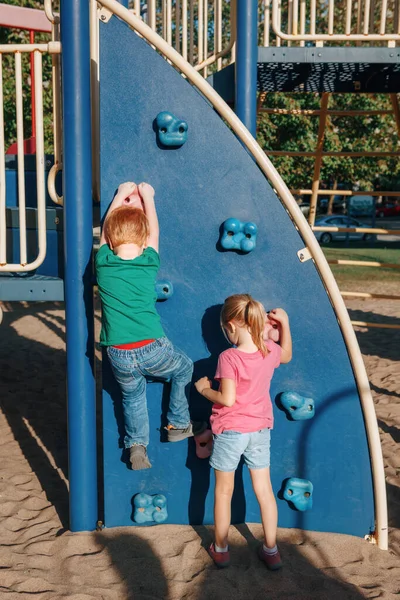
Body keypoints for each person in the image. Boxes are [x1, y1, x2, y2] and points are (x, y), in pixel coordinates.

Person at [96, 181, 203, 471]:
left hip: (117, 352)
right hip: (151, 348)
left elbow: (107, 232)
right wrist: (148, 197)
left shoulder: (103, 262)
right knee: (183, 367)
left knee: (132, 398)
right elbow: (154, 231)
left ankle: (136, 446)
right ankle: (179, 423)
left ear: (110, 238)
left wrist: (119, 196)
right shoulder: (148, 262)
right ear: (143, 242)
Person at [195, 294, 292, 569]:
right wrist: (284, 324)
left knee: (223, 492)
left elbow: (226, 399)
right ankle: (271, 550)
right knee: (264, 490)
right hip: (260, 429)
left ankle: (222, 548)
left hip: (231, 430)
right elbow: (286, 355)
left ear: (232, 326)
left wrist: (203, 389)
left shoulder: (229, 357)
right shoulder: (269, 350)